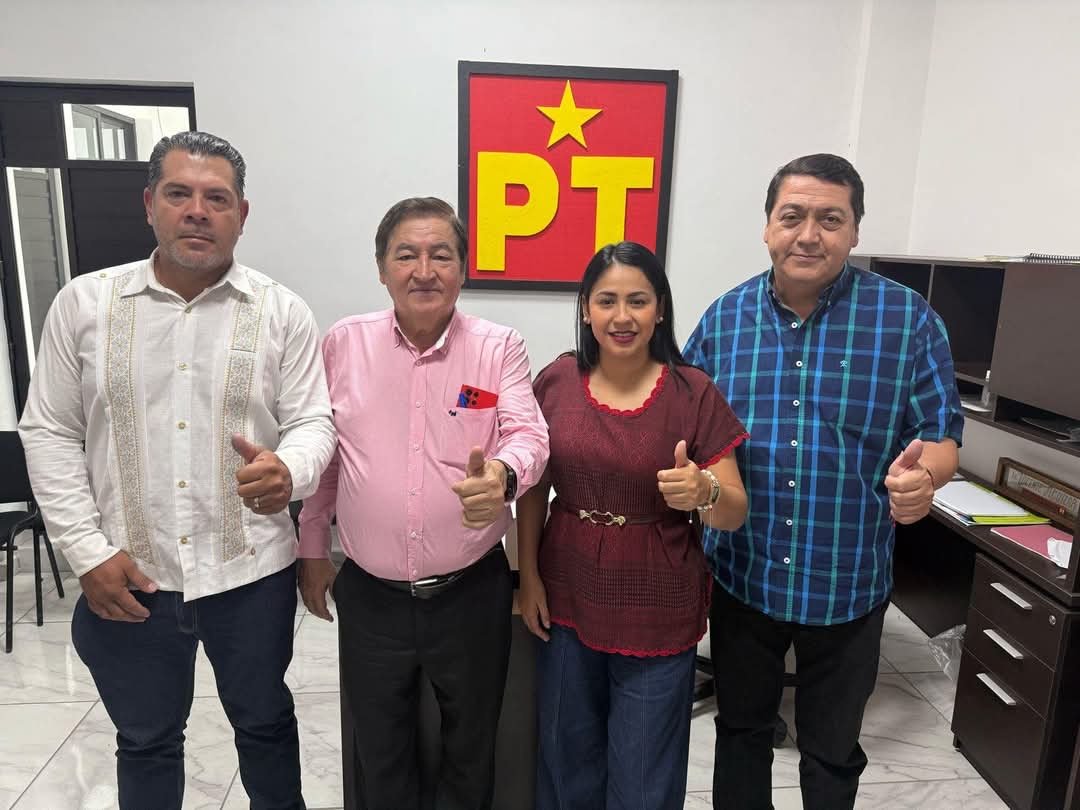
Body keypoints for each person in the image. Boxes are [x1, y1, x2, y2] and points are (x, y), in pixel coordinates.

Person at [18, 131, 336, 810]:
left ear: (242, 215)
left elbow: (314, 420)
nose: (198, 210)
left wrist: (291, 469)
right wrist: (85, 551)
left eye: (217, 198)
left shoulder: (282, 312)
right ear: (149, 204)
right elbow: (49, 430)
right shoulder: (84, 305)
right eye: (179, 194)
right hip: (129, 572)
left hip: (250, 573)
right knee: (146, 741)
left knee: (265, 723)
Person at [682, 153, 964, 810]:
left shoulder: (908, 321)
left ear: (855, 231)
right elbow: (688, 426)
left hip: (847, 583)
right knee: (742, 734)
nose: (808, 235)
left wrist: (924, 478)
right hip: (745, 578)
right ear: (767, 227)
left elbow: (942, 436)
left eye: (830, 219)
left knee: (832, 751)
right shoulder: (724, 320)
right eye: (793, 216)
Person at [296, 197, 549, 810]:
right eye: (406, 255)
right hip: (371, 594)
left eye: (441, 255)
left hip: (470, 591)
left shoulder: (498, 347)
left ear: (464, 268)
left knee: (471, 749)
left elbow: (529, 435)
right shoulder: (343, 344)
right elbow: (327, 454)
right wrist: (312, 547)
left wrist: (503, 478)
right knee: (379, 750)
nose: (424, 270)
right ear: (382, 269)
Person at [516, 241, 749, 810]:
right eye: (607, 301)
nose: (622, 317)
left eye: (638, 301)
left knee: (644, 774)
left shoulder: (693, 392)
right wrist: (528, 578)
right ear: (586, 308)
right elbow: (533, 488)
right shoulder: (556, 381)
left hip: (658, 604)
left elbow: (734, 509)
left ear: (660, 309)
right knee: (566, 755)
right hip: (566, 592)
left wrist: (703, 491)